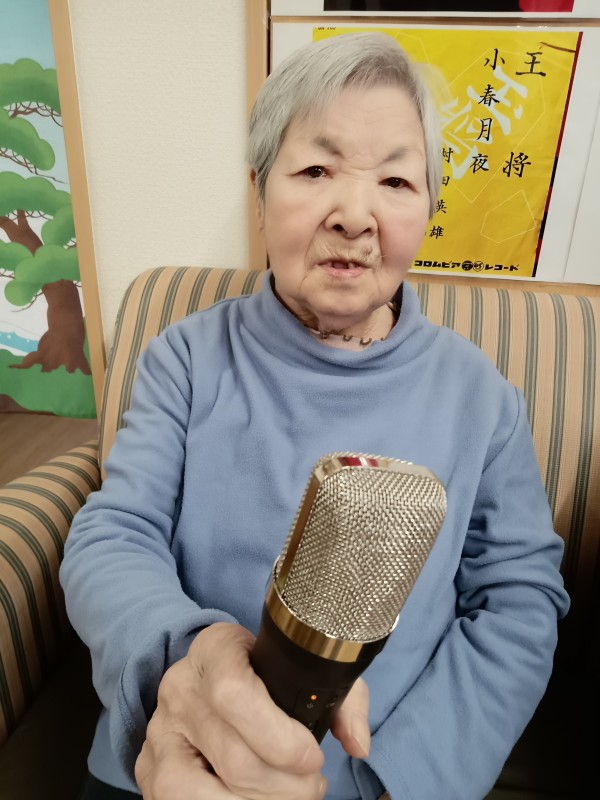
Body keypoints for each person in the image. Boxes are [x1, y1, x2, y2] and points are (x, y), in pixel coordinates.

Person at [61, 32, 569, 800]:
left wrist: (398, 779)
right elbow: (114, 534)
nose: (354, 215)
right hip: (172, 757)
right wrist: (185, 664)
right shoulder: (186, 358)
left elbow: (519, 604)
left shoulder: (482, 398)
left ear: (427, 209)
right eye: (315, 170)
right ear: (260, 190)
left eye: (395, 180)